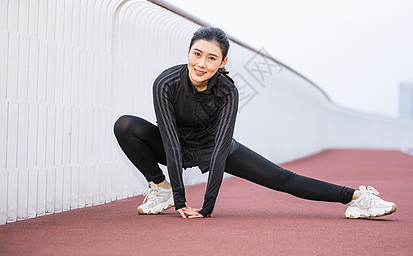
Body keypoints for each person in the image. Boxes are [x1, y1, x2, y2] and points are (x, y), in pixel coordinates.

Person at [113, 27, 397, 219]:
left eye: (211, 58)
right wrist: (179, 200)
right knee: (126, 126)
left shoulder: (227, 91)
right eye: (197, 54)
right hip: (171, 145)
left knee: (281, 178)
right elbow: (171, 142)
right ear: (188, 53)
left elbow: (222, 146)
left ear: (223, 62)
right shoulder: (166, 83)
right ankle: (158, 188)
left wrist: (207, 208)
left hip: (213, 147)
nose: (201, 63)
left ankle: (357, 198)